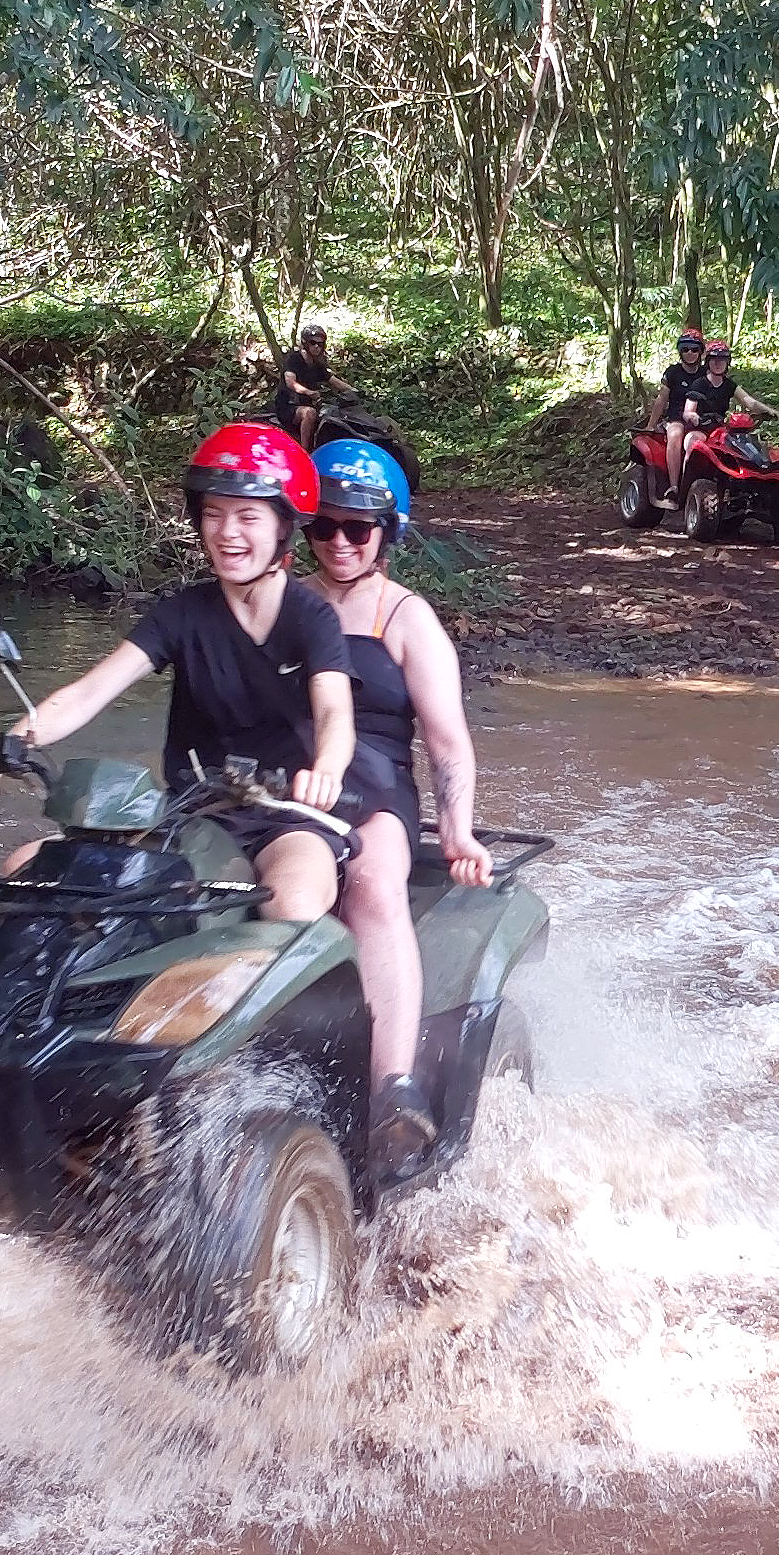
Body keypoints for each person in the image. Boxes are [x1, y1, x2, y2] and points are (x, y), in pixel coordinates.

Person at [0, 422, 362, 931]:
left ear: (283, 528)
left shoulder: (312, 619)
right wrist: (5, 745)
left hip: (291, 816)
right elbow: (89, 693)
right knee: (28, 871)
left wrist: (327, 771)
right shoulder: (182, 614)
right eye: (214, 515)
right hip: (191, 811)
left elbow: (334, 710)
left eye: (248, 516)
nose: (228, 532)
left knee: (292, 902)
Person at [301, 438, 493, 1173]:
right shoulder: (281, 601)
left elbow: (446, 742)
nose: (340, 542)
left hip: (373, 780)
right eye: (324, 526)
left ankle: (394, 1086)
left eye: (358, 528)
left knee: (374, 882)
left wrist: (456, 831)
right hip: (283, 776)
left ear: (388, 532)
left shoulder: (407, 619)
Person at [641, 328, 707, 516]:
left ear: (701, 352)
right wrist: (651, 424)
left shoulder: (706, 373)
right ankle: (674, 486)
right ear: (680, 351)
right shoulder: (673, 373)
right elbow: (662, 399)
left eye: (694, 349)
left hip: (701, 420)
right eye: (685, 349)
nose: (690, 353)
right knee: (676, 434)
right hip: (677, 418)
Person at [272, 325, 335, 447]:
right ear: (305, 343)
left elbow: (333, 380)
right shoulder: (294, 359)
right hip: (288, 407)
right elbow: (290, 382)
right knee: (309, 413)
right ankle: (305, 450)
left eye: (320, 344)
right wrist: (308, 392)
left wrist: (354, 391)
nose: (316, 346)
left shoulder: (317, 364)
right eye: (313, 343)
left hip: (307, 404)